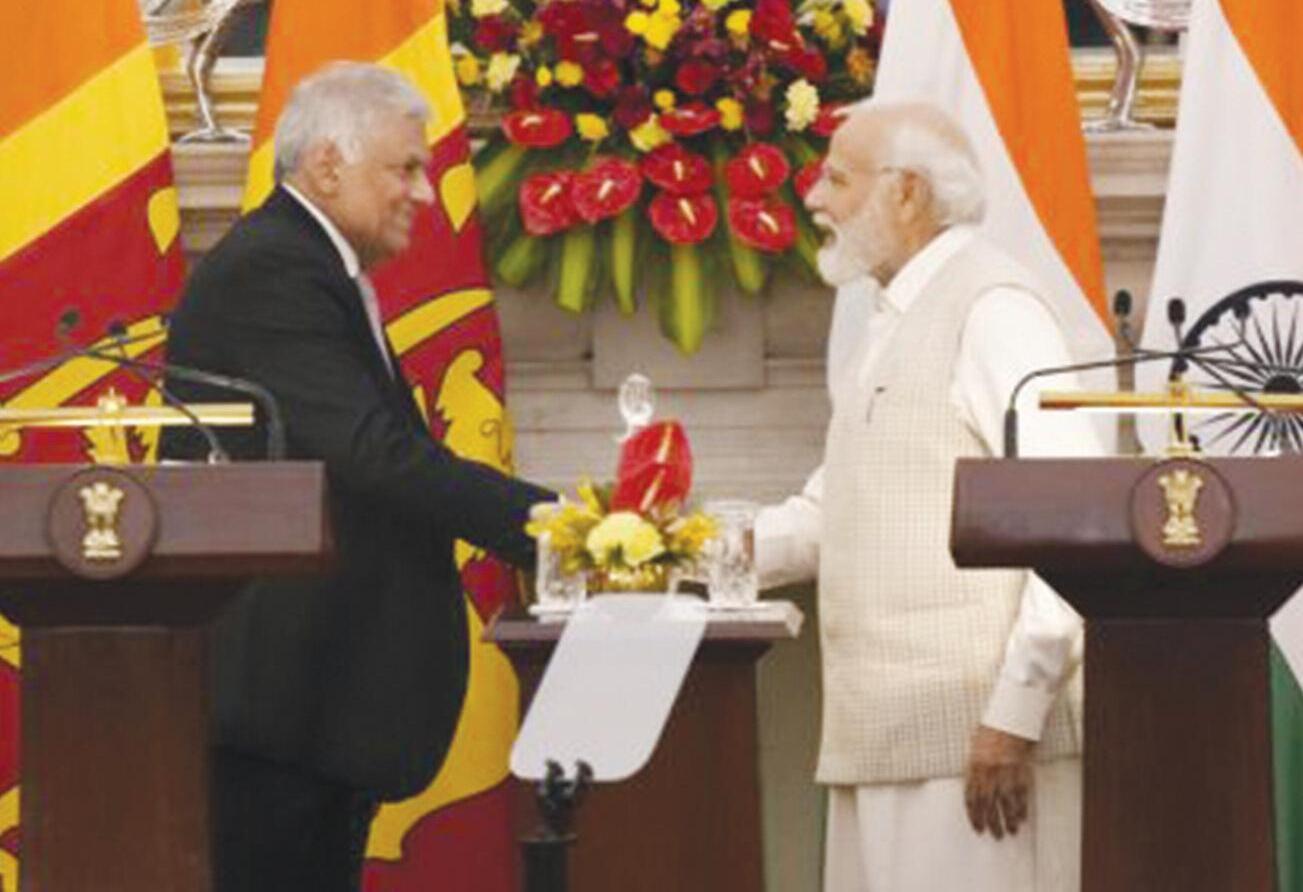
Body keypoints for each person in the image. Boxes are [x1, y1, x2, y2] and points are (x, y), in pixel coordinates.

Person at [160, 62, 553, 892]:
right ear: (327, 164)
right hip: (281, 704)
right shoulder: (273, 268)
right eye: (404, 168)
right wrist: (552, 525)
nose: (425, 192)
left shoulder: (311, 264)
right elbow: (372, 453)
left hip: (316, 702)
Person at [756, 101, 1103, 891]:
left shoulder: (991, 308)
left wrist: (1013, 714)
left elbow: (1068, 516)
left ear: (905, 191)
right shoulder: (888, 320)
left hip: (977, 752)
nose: (814, 198)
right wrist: (667, 552)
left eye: (836, 178)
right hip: (884, 745)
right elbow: (832, 514)